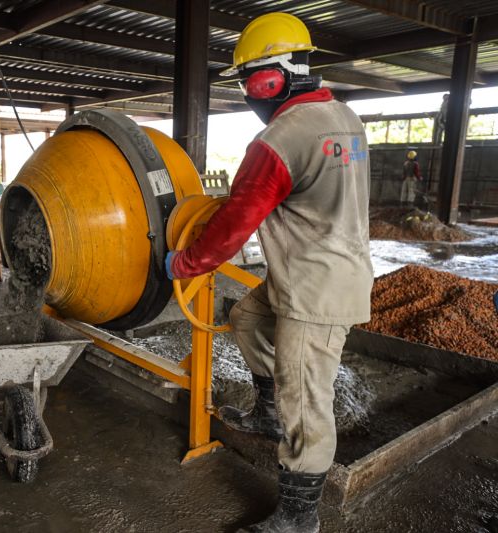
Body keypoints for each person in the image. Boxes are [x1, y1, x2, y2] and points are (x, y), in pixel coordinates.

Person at [165, 12, 373, 533]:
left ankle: (299, 518)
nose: (250, 96)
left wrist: (185, 262)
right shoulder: (345, 117)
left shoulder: (279, 140)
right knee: (247, 318)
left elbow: (235, 223)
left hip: (314, 292)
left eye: (248, 83)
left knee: (306, 400)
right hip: (325, 268)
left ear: (270, 79)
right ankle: (267, 410)